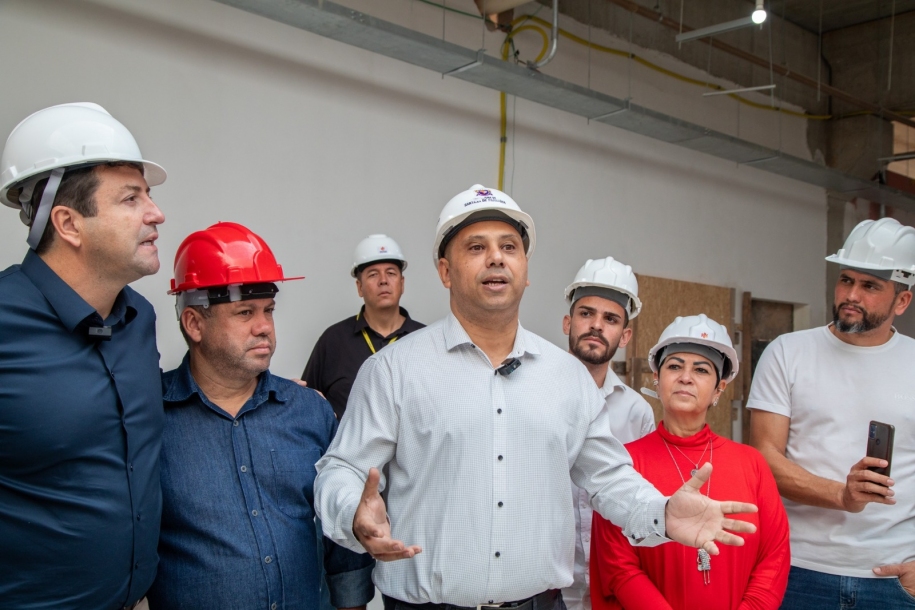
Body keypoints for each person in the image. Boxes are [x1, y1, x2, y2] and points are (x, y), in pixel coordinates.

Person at [314, 184, 759, 610]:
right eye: (475, 247)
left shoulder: (567, 377)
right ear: (445, 272)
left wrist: (662, 513)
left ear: (526, 271)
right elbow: (342, 468)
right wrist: (353, 510)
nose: (496, 258)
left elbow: (610, 479)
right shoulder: (394, 370)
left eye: (510, 247)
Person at [147, 222, 374, 610]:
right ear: (194, 324)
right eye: (245, 312)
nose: (264, 327)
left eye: (268, 310)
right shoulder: (149, 418)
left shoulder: (309, 411)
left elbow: (340, 536)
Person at [0, 102, 167, 609]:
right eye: (131, 198)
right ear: (69, 223)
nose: (155, 213)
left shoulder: (139, 318)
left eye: (150, 195)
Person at [748, 217, 915, 609]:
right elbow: (764, 457)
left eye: (870, 286)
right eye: (846, 280)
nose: (851, 295)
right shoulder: (788, 352)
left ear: (902, 300)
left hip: (892, 579)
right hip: (797, 569)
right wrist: (841, 495)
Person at [591, 314, 790, 609]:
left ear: (719, 389)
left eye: (701, 369)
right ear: (657, 379)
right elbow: (618, 566)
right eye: (674, 366)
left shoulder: (752, 463)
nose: (686, 377)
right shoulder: (623, 462)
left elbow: (774, 555)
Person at [561, 257, 656, 610]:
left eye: (611, 319)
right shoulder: (535, 396)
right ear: (568, 322)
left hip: (612, 582)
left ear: (625, 336)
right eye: (586, 314)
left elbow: (636, 495)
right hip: (548, 581)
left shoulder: (637, 412)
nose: (596, 326)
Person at [303, 233, 424, 419]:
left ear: (402, 283)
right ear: (359, 287)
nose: (383, 280)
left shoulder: (425, 339)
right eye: (373, 274)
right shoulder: (334, 340)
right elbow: (306, 405)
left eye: (391, 273)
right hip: (347, 449)